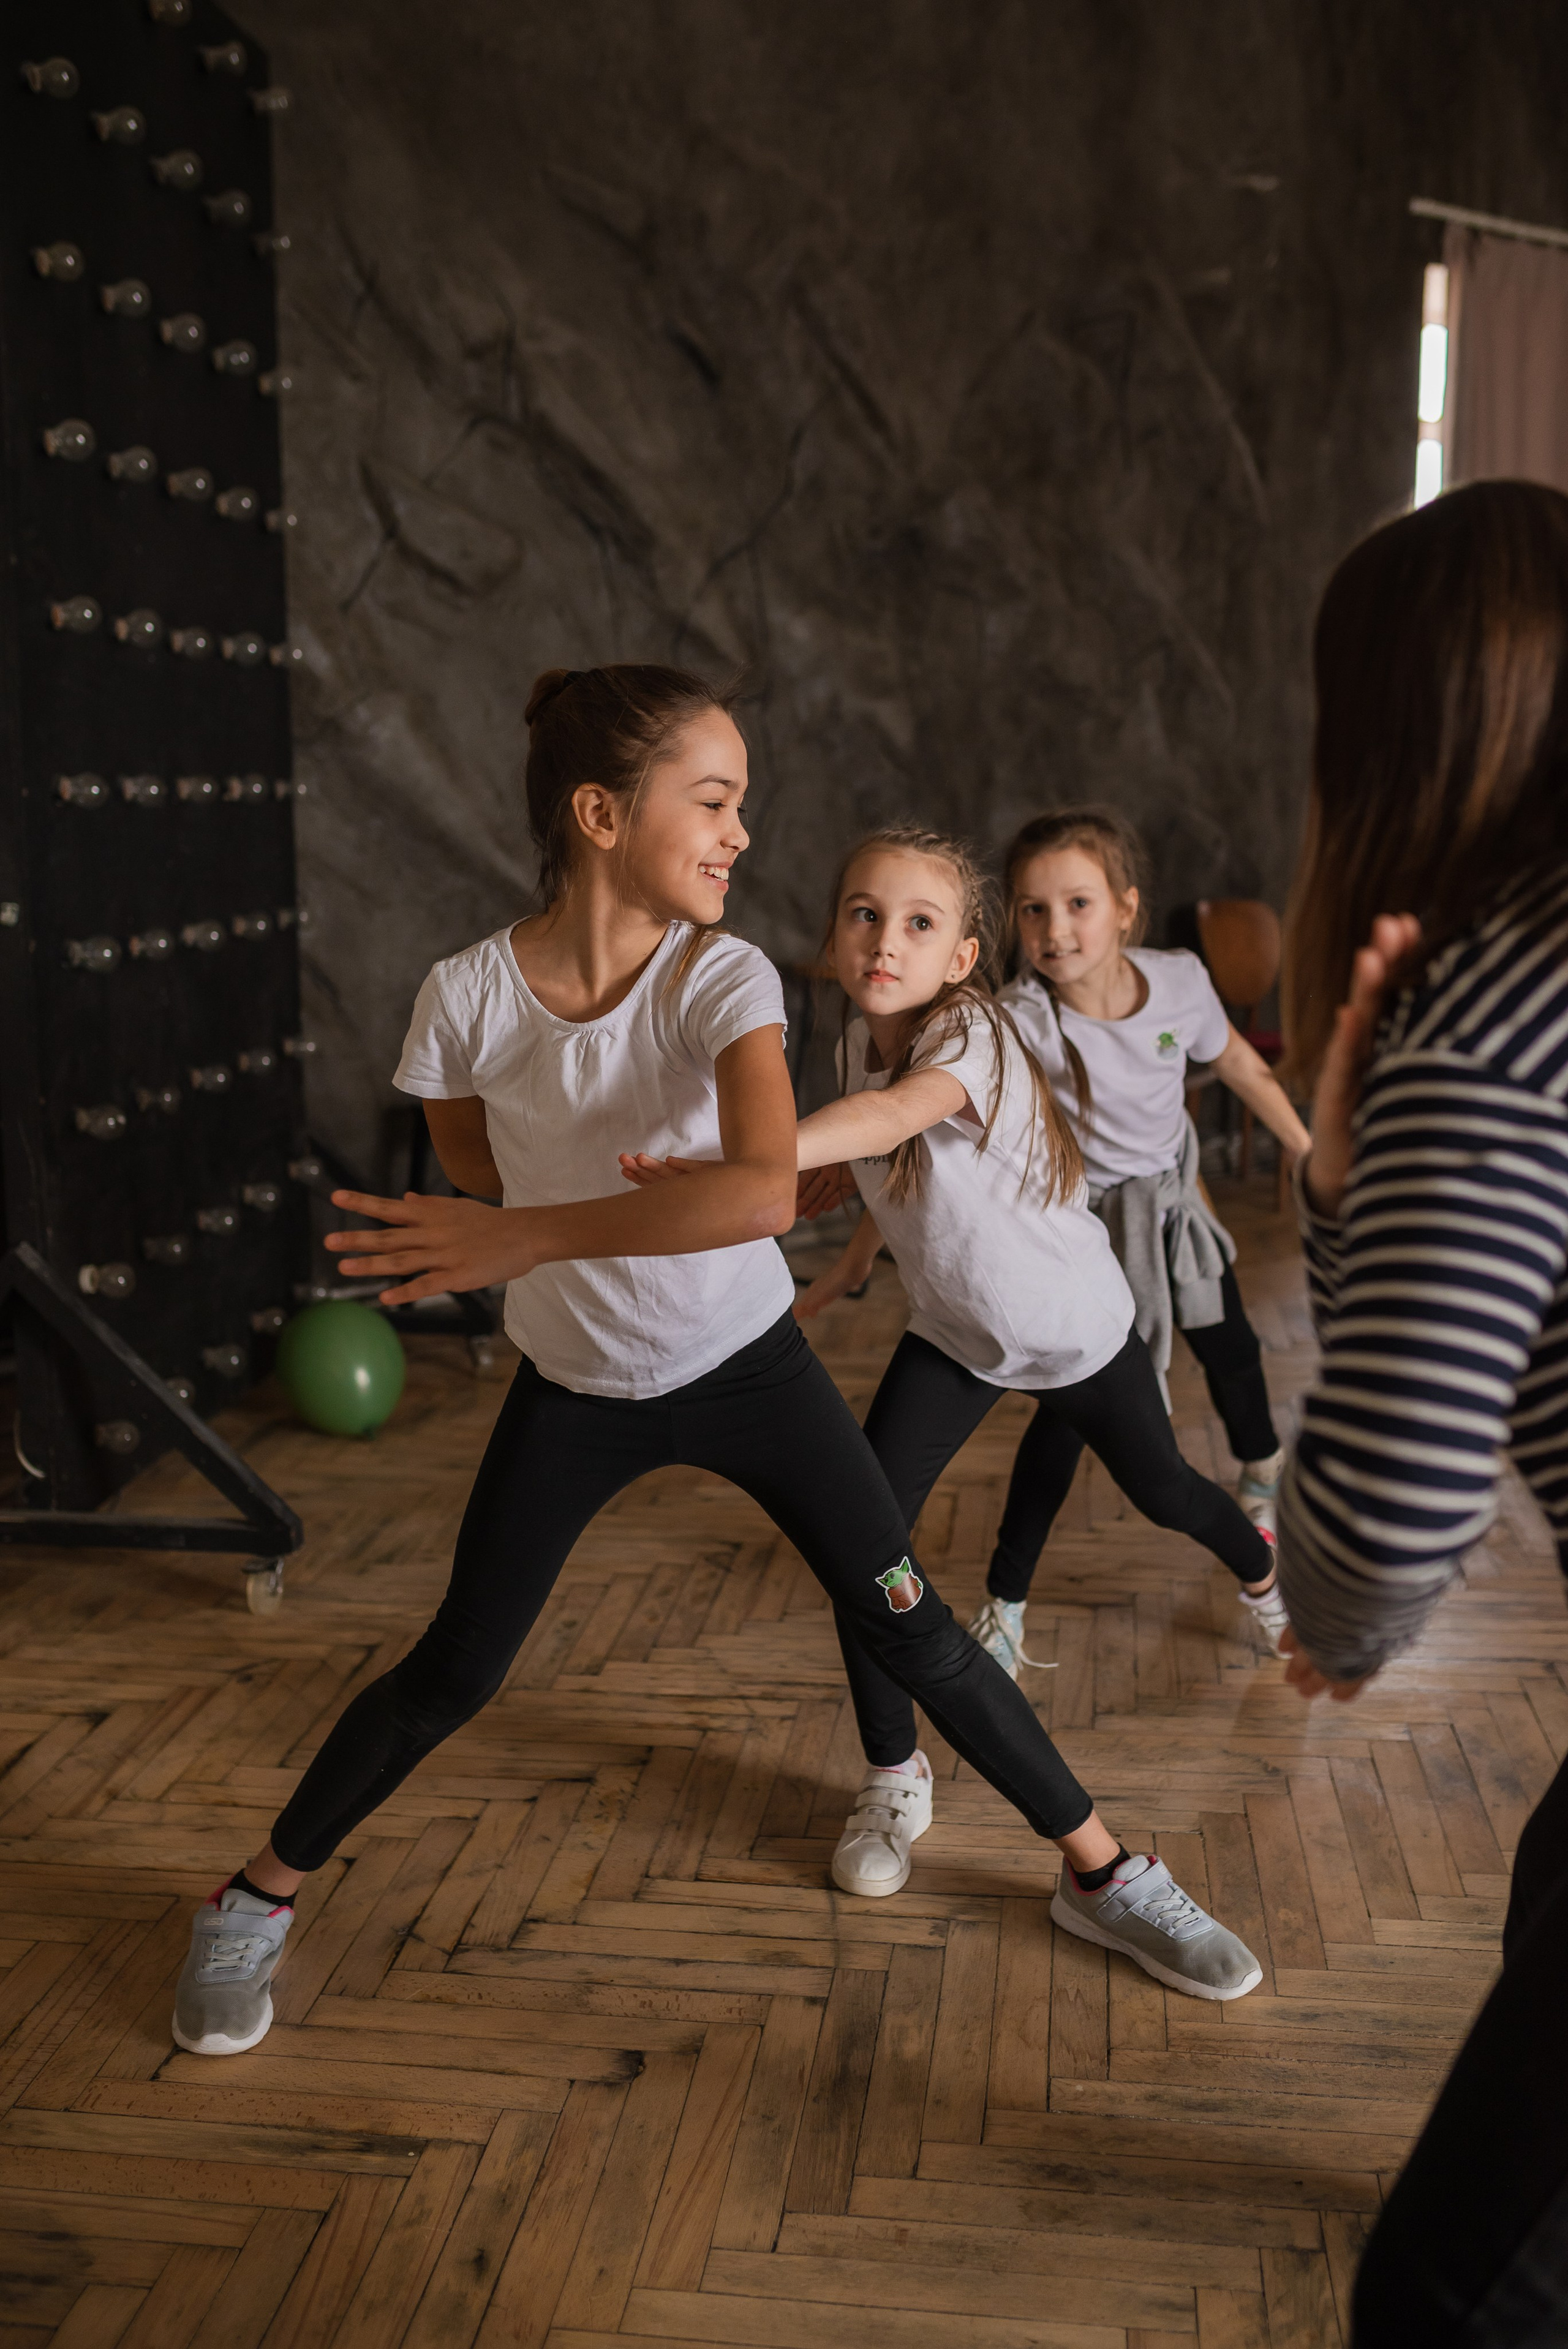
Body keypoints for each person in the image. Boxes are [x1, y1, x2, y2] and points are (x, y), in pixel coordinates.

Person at [171, 665, 1261, 2060]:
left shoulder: (720, 974)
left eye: (742, 804)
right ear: (600, 814)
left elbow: (751, 1194)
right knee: (454, 1669)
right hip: (575, 1391)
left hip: (751, 1369)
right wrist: (530, 1229)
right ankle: (253, 1895)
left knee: (912, 1622)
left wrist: (526, 1239)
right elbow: (480, 1167)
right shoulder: (463, 998)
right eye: (715, 801)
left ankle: (1103, 1874)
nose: (743, 833)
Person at [628, 826, 1277, 1957]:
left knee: (1167, 1491)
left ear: (963, 958)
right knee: (861, 1544)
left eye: (919, 924)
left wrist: (755, 1159)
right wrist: (839, 1253)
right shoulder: (853, 1047)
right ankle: (894, 1775)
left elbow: (895, 1119)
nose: (886, 941)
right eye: (865, 915)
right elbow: (885, 1165)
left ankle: (1266, 1574)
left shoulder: (970, 1033)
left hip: (1074, 1333)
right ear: (835, 937)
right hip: (958, 1337)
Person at [1273, 480, 1568, 2348]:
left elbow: (1379, 1533)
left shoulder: (1499, 1004)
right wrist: (1344, 1162)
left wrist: (1336, 1610)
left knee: (1443, 2302)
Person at [958, 809, 1311, 1674]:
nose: (1055, 929)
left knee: (1232, 1348)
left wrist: (1307, 1152)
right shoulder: (1020, 1018)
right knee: (1067, 1418)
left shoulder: (1180, 981)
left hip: (1174, 1207)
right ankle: (1006, 1602)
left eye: (1078, 903)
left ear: (1125, 908)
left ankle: (1260, 1475)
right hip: (1085, 1234)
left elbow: (1240, 1064)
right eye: (1033, 910)